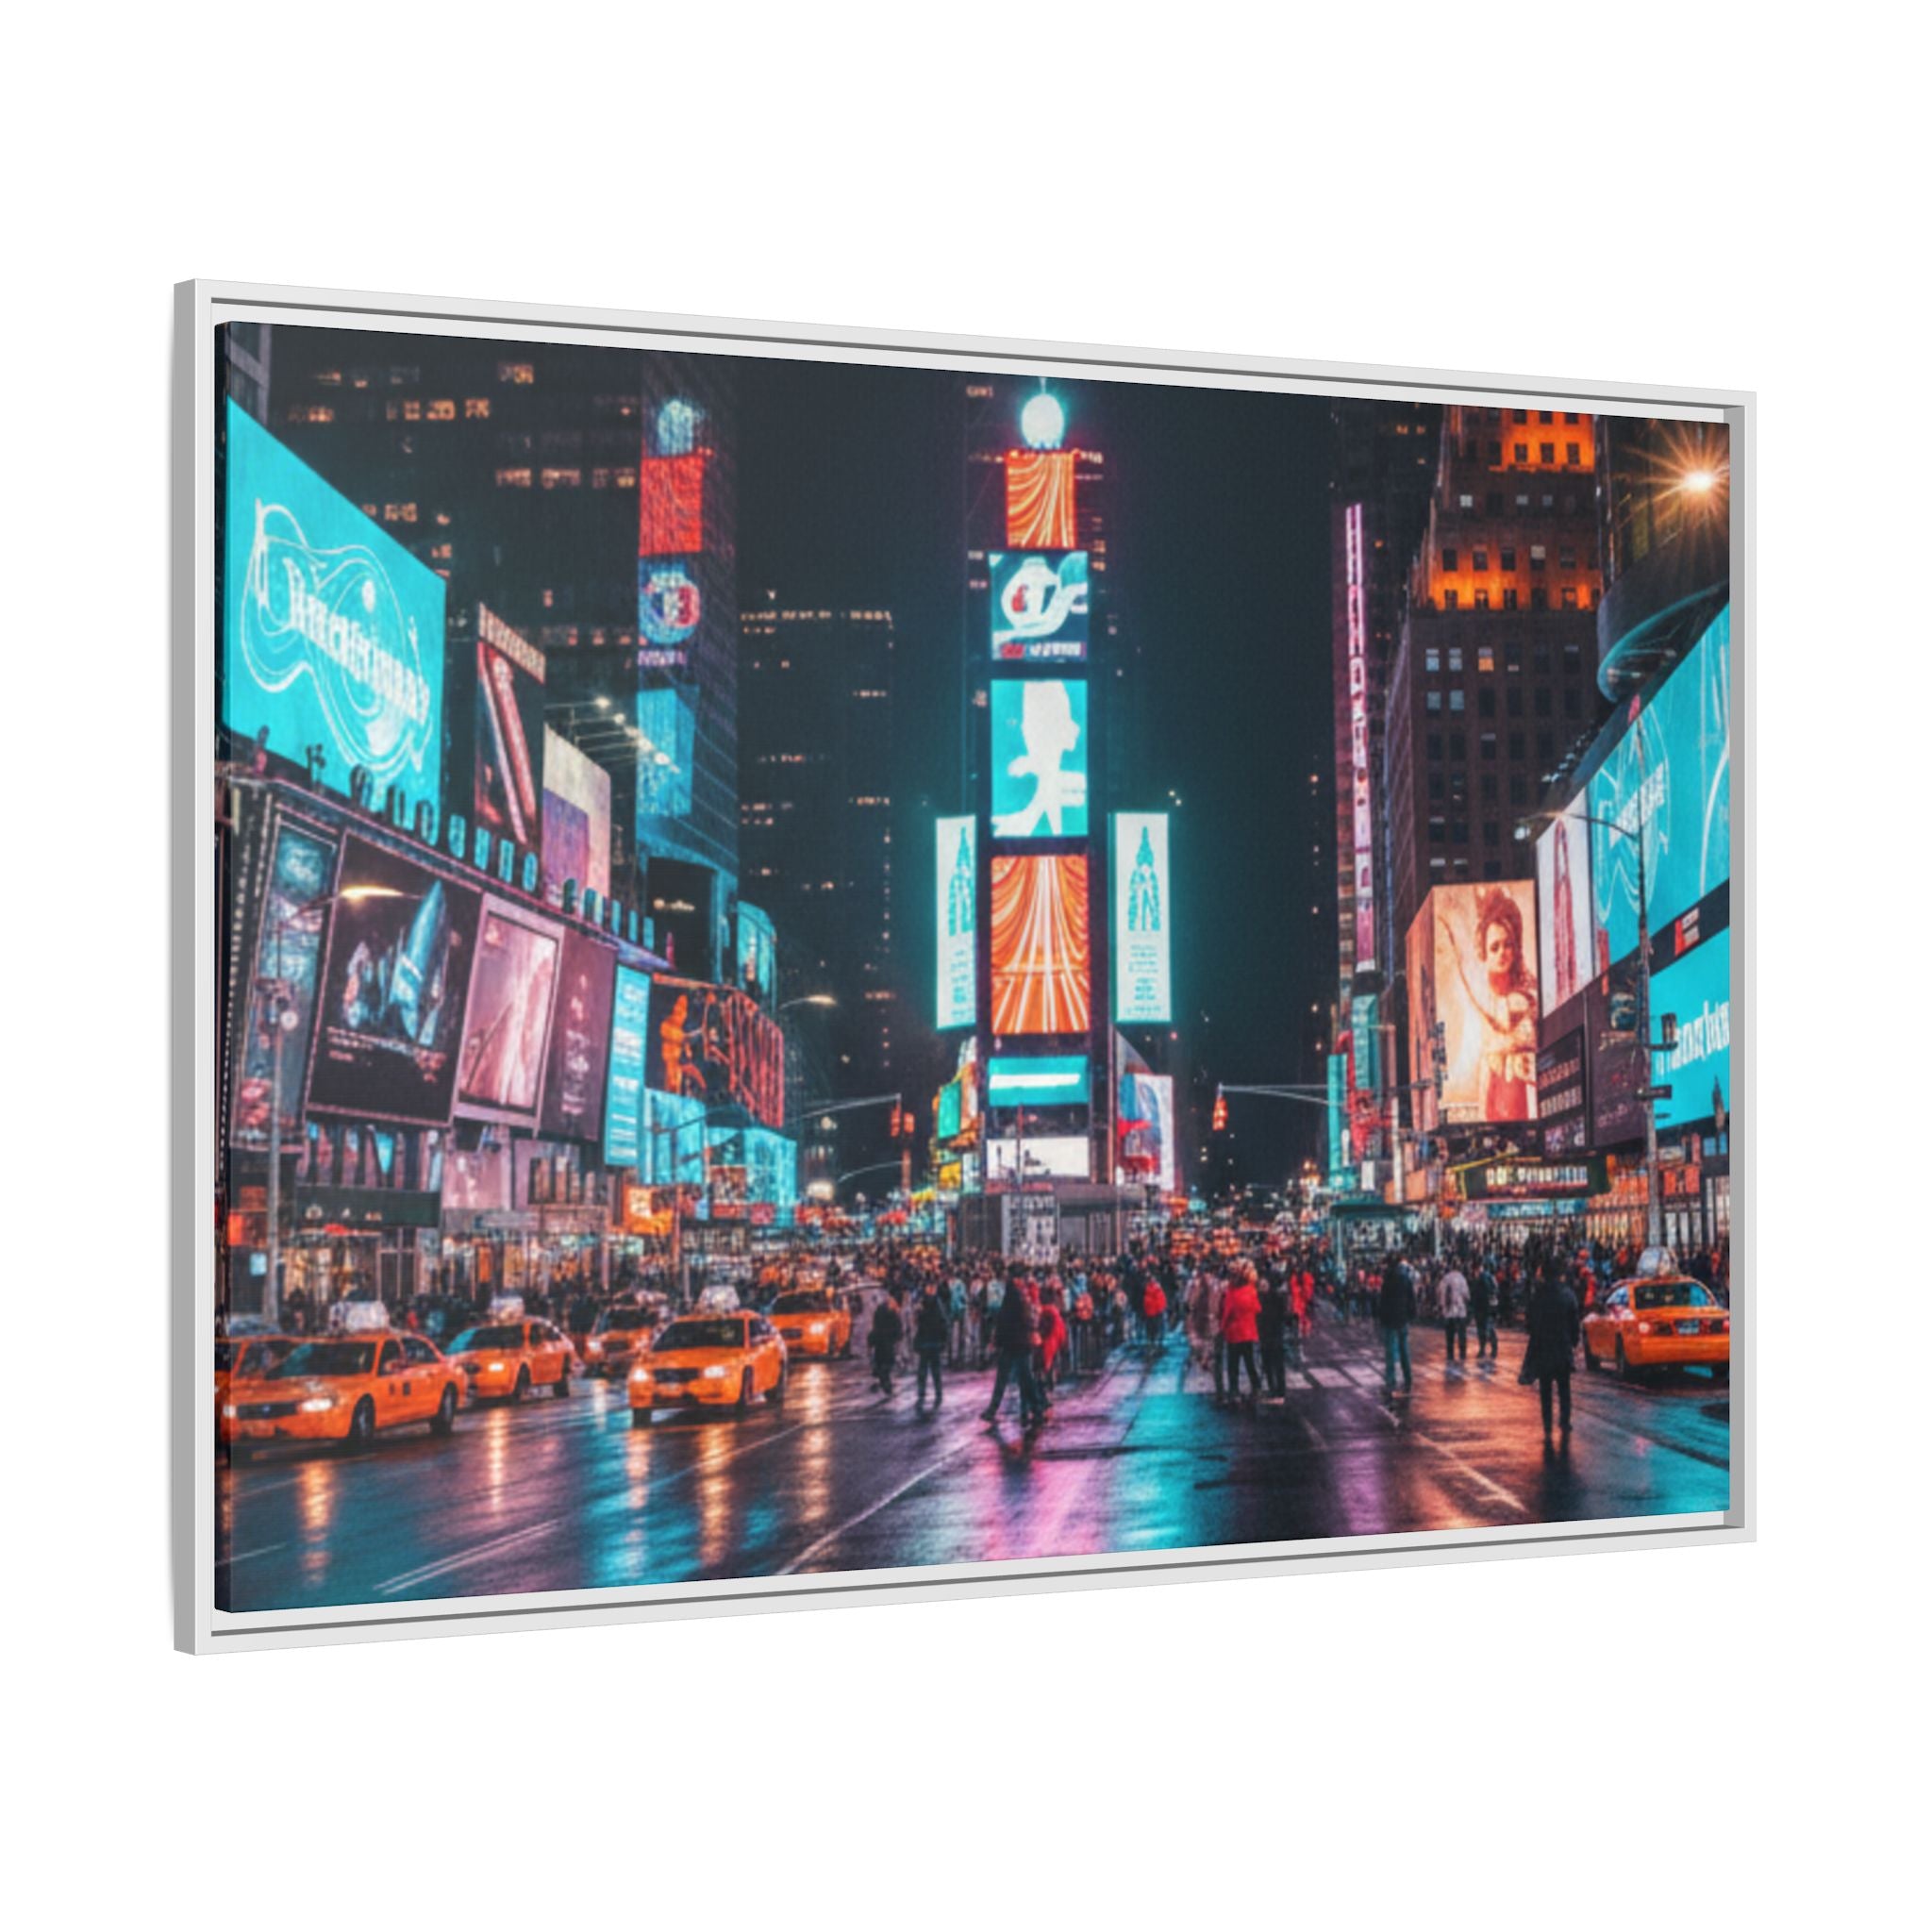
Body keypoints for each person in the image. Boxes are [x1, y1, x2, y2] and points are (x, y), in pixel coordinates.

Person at [1522, 1267, 1581, 1448]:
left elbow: (1529, 1322)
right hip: (1562, 1346)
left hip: (1544, 1347)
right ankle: (1564, 1420)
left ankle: (1547, 1423)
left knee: (1545, 1389)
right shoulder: (1567, 1295)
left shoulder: (1538, 1296)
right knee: (1564, 1387)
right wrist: (1573, 1341)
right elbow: (1574, 1322)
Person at [982, 1277, 1044, 1427]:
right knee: (1026, 1379)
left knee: (1002, 1379)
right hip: (1021, 1345)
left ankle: (992, 1409)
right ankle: (1036, 1409)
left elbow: (1001, 1324)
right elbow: (1028, 1321)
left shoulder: (1007, 1302)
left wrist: (996, 1341)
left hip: (1009, 1346)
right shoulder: (1022, 1302)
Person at [1222, 1264, 1263, 1407]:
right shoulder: (1251, 1291)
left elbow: (1227, 1313)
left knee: (1233, 1365)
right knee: (1250, 1362)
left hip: (1234, 1333)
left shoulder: (1231, 1293)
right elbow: (1258, 1308)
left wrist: (1222, 1328)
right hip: (1248, 1332)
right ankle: (1256, 1387)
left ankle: (1234, 1391)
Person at [1378, 1251, 1416, 1396]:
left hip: (1390, 1319)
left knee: (1390, 1352)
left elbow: (1384, 1300)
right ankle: (1408, 1379)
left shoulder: (1388, 1278)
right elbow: (1411, 1298)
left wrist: (1381, 1318)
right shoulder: (1405, 1278)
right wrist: (1411, 1314)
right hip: (1403, 1318)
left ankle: (1391, 1382)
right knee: (1404, 1349)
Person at [913, 1282, 949, 1410]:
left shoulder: (922, 1303)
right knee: (935, 1370)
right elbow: (943, 1323)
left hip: (926, 1342)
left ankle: (922, 1394)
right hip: (934, 1342)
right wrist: (944, 1340)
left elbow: (918, 1322)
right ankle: (938, 1393)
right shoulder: (937, 1304)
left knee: (923, 1370)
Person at [1257, 1269, 1291, 1397]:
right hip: (1272, 1334)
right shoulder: (1278, 1297)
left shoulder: (1268, 1297)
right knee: (1274, 1364)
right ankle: (1277, 1388)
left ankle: (1275, 1388)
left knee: (1271, 1363)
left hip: (1270, 1334)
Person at [870, 1291, 905, 1398]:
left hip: (886, 1342)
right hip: (883, 1342)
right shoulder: (884, 1311)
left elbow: (898, 1328)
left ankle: (884, 1383)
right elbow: (878, 1327)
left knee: (886, 1364)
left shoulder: (890, 1311)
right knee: (886, 1364)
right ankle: (886, 1386)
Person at [1439, 1261, 1470, 1364]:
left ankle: (1450, 1354)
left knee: (1450, 1334)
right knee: (1462, 1334)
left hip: (1449, 1311)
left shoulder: (1446, 1278)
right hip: (1460, 1311)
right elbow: (1466, 1295)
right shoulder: (1462, 1279)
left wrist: (1443, 1307)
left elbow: (1441, 1293)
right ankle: (1462, 1354)